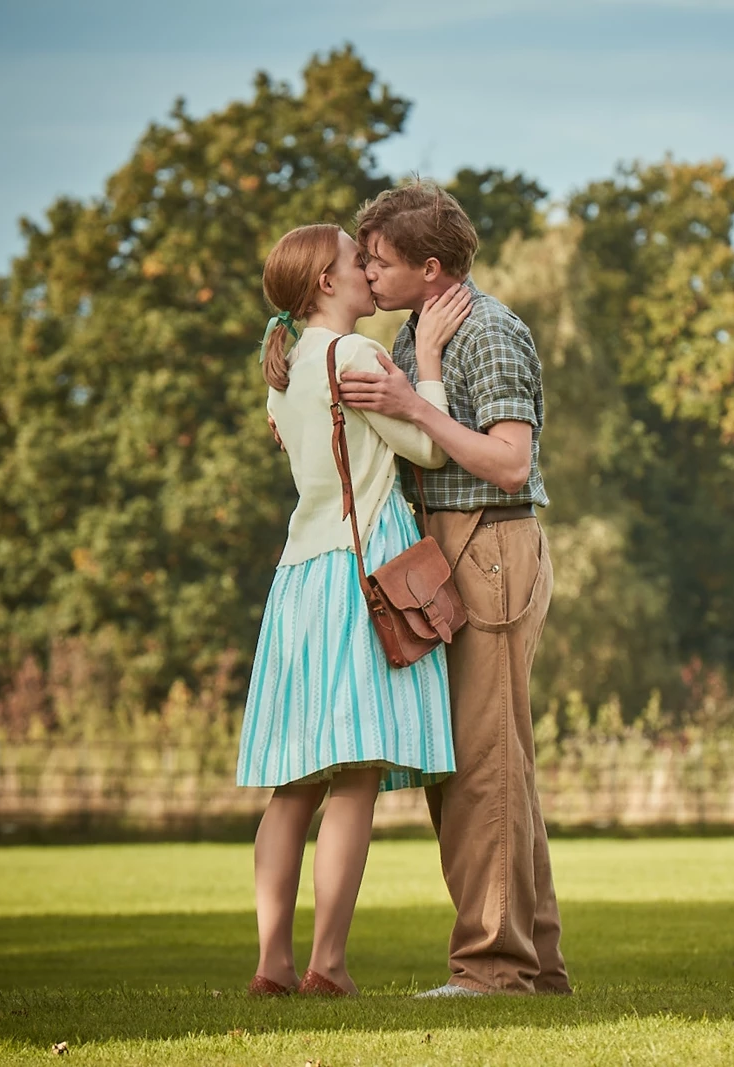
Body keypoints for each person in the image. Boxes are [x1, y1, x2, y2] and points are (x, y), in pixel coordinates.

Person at [339, 181, 570, 997]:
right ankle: (533, 967)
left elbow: (511, 461)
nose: (367, 271)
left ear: (428, 268)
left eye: (380, 259)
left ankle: (491, 968)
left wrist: (410, 400)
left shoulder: (492, 331)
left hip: (492, 545)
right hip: (443, 547)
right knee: (481, 763)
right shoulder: (416, 332)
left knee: (483, 766)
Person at [236, 222, 472, 998]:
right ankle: (327, 964)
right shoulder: (355, 356)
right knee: (354, 776)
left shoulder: (285, 368)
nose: (370, 273)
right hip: (360, 572)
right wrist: (427, 361)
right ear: (324, 285)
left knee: (294, 783)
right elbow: (429, 448)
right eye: (355, 261)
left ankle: (271, 962)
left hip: (298, 579)